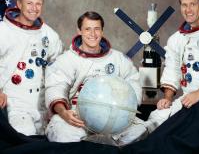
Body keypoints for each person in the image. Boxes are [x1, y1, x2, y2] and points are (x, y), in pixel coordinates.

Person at [121, 0, 199, 153]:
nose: (188, 10)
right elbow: (173, 70)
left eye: (193, 4)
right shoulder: (177, 39)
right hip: (188, 98)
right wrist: (167, 97)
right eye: (184, 5)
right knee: (156, 118)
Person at [45, 11, 147, 145]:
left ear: (102, 31)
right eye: (87, 29)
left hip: (113, 117)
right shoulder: (66, 60)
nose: (93, 34)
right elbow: (55, 88)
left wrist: (124, 113)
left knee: (140, 131)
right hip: (77, 116)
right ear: (79, 31)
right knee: (62, 133)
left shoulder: (118, 59)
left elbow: (133, 82)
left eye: (97, 29)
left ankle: (99, 144)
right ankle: (102, 144)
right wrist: (64, 113)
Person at [0, 0, 63, 136]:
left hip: (41, 102)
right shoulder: (4, 31)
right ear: (19, 4)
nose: (34, 8)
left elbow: (59, 64)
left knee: (56, 138)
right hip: (15, 102)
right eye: (29, 3)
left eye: (38, 4)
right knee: (25, 137)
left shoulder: (48, 33)